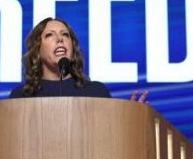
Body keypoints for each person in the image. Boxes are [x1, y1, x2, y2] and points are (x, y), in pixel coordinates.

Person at [9, 17, 149, 102]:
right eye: (49, 35)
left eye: (65, 34)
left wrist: (131, 118)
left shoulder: (96, 92)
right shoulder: (21, 97)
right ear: (37, 50)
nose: (60, 39)